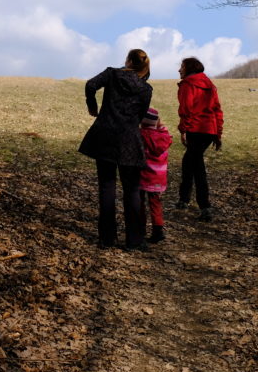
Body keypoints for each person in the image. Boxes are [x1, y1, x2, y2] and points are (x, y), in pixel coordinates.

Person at [79, 49, 154, 250]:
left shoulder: (112, 74)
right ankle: (134, 240)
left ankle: (107, 238)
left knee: (107, 187)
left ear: (128, 61)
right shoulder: (146, 89)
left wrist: (92, 107)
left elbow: (90, 85)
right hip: (129, 139)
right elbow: (141, 115)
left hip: (105, 135)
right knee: (132, 190)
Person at [175, 57, 223, 222]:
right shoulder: (209, 85)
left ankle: (205, 206)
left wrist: (183, 130)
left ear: (189, 68)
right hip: (209, 131)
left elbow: (186, 110)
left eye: (182, 67)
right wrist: (217, 134)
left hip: (195, 130)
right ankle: (183, 199)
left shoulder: (188, 85)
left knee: (197, 166)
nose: (179, 70)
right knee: (188, 161)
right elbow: (217, 110)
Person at [140, 107, 173, 243]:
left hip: (144, 175)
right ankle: (158, 230)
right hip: (159, 177)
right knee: (155, 204)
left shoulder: (142, 135)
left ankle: (140, 228)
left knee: (139, 202)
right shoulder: (164, 136)